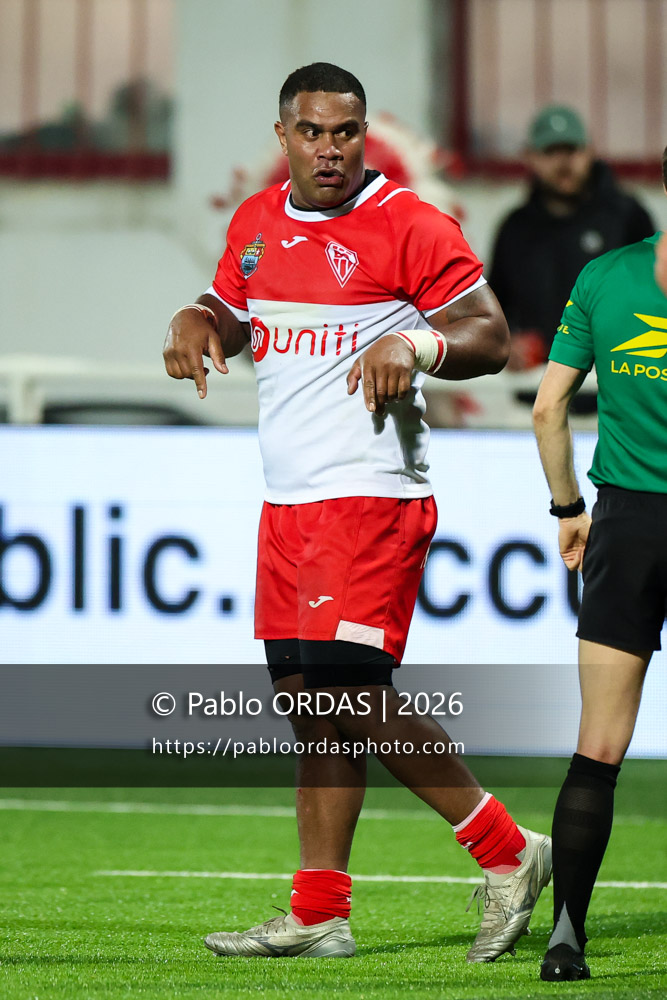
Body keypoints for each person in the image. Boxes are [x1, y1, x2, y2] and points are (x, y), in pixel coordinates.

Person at [163, 62, 551, 963]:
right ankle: (320, 911)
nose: (329, 149)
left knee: (348, 693)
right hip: (289, 502)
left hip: (372, 495)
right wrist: (195, 318)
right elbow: (230, 308)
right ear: (283, 136)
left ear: (361, 134)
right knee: (311, 706)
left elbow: (487, 334)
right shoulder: (256, 224)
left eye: (344, 132)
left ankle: (506, 852)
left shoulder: (408, 223)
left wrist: (411, 342)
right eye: (311, 132)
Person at [532, 145, 667, 981]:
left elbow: (549, 408)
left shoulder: (607, 276)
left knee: (598, 747)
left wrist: (567, 509)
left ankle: (564, 938)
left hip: (626, 528)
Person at [490, 105, 655, 370]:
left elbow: (656, 296)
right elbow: (495, 307)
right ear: (529, 156)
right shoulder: (515, 228)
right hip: (536, 391)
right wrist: (507, 345)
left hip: (611, 390)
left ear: (589, 150)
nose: (563, 162)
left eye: (571, 150)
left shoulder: (627, 217)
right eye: (551, 152)